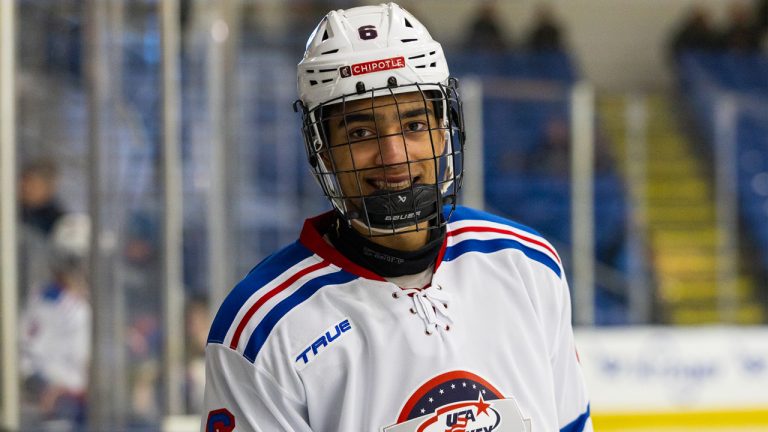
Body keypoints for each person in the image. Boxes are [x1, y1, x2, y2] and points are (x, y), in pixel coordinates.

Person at [202, 3, 592, 431]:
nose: (394, 156)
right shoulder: (262, 328)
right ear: (321, 148)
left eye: (413, 125)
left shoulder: (526, 265)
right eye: (361, 133)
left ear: (445, 128)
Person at [19, 213, 91, 430]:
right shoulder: (45, 301)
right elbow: (26, 359)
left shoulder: (95, 302)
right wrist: (46, 389)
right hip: (62, 410)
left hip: (95, 405)